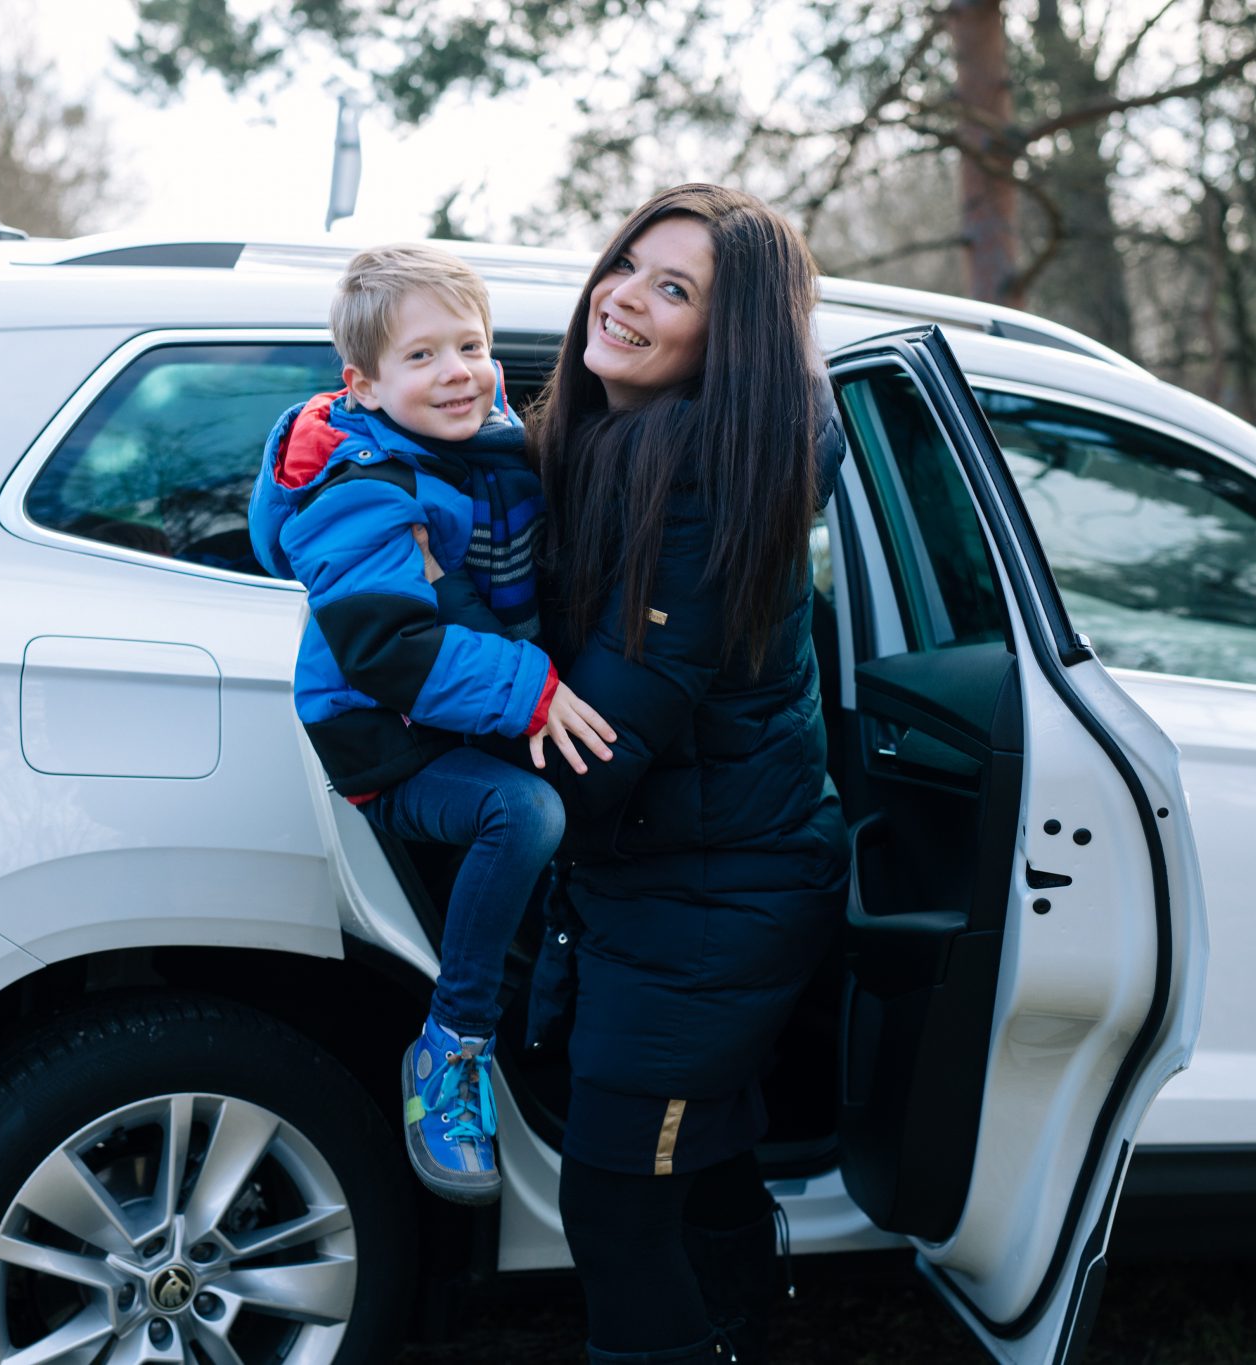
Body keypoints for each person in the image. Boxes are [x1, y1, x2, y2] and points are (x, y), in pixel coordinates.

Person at [526, 185, 852, 1364]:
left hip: (714, 900)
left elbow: (600, 745)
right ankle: (734, 1326)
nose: (624, 298)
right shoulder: (603, 442)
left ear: (730, 338)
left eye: (675, 291)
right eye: (628, 265)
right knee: (695, 1148)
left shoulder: (708, 488)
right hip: (672, 875)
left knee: (613, 1200)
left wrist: (429, 744)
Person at [247, 244, 617, 1207]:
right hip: (384, 735)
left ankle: (562, 1017)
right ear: (361, 385)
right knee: (523, 815)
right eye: (422, 357)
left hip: (456, 709)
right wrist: (532, 688)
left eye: (471, 344)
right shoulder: (364, 489)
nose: (457, 370)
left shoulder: (483, 444)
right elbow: (391, 651)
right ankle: (452, 1049)